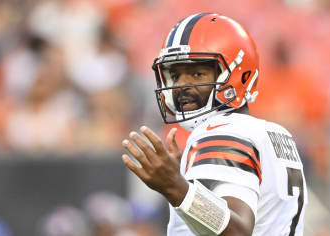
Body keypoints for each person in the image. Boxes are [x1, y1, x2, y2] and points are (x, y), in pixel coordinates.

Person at [122, 13, 308, 236]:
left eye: (197, 73)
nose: (182, 85)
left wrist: (175, 187)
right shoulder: (276, 133)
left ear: (238, 74)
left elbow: (238, 231)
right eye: (176, 75)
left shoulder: (223, 132)